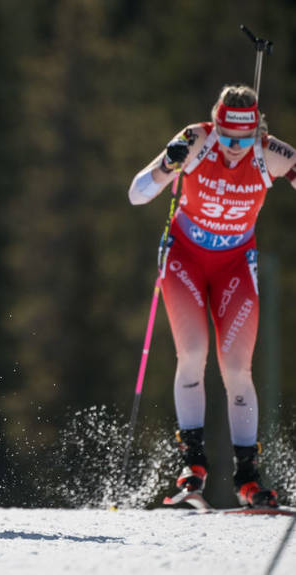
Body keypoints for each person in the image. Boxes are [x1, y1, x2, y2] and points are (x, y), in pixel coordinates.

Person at [128, 84, 296, 507]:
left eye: (244, 139)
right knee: (192, 352)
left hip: (235, 265)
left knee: (237, 367)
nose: (234, 149)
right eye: (227, 138)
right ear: (215, 127)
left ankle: (248, 478)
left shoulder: (270, 153)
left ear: (257, 132)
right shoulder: (196, 140)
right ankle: (193, 467)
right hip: (185, 257)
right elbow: (137, 193)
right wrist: (168, 166)